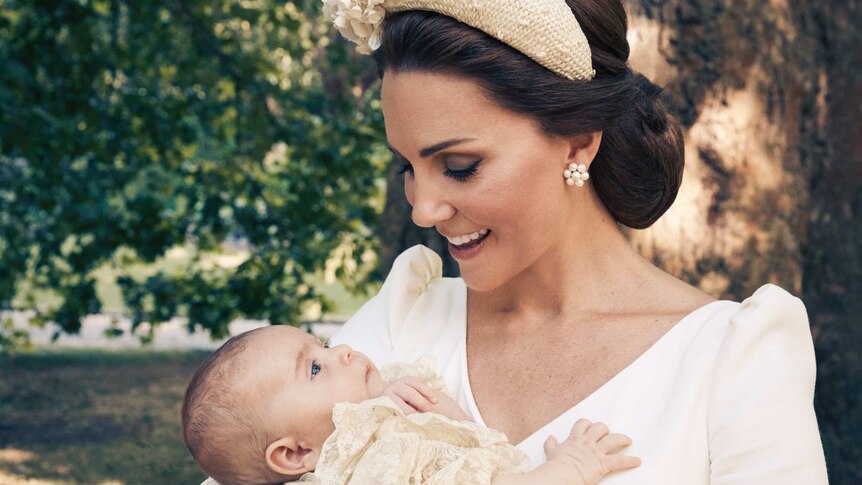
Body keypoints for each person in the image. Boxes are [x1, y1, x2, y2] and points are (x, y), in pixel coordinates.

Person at [320, 0, 830, 483]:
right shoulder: (401, 322)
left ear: (579, 140)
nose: (424, 209)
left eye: (459, 167)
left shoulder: (733, 360)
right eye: (407, 166)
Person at [183, 325, 640, 485]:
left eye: (321, 344)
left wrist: (413, 405)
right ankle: (576, 470)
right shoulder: (377, 463)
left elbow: (469, 442)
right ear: (295, 454)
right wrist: (567, 471)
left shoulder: (385, 422)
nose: (340, 352)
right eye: (315, 369)